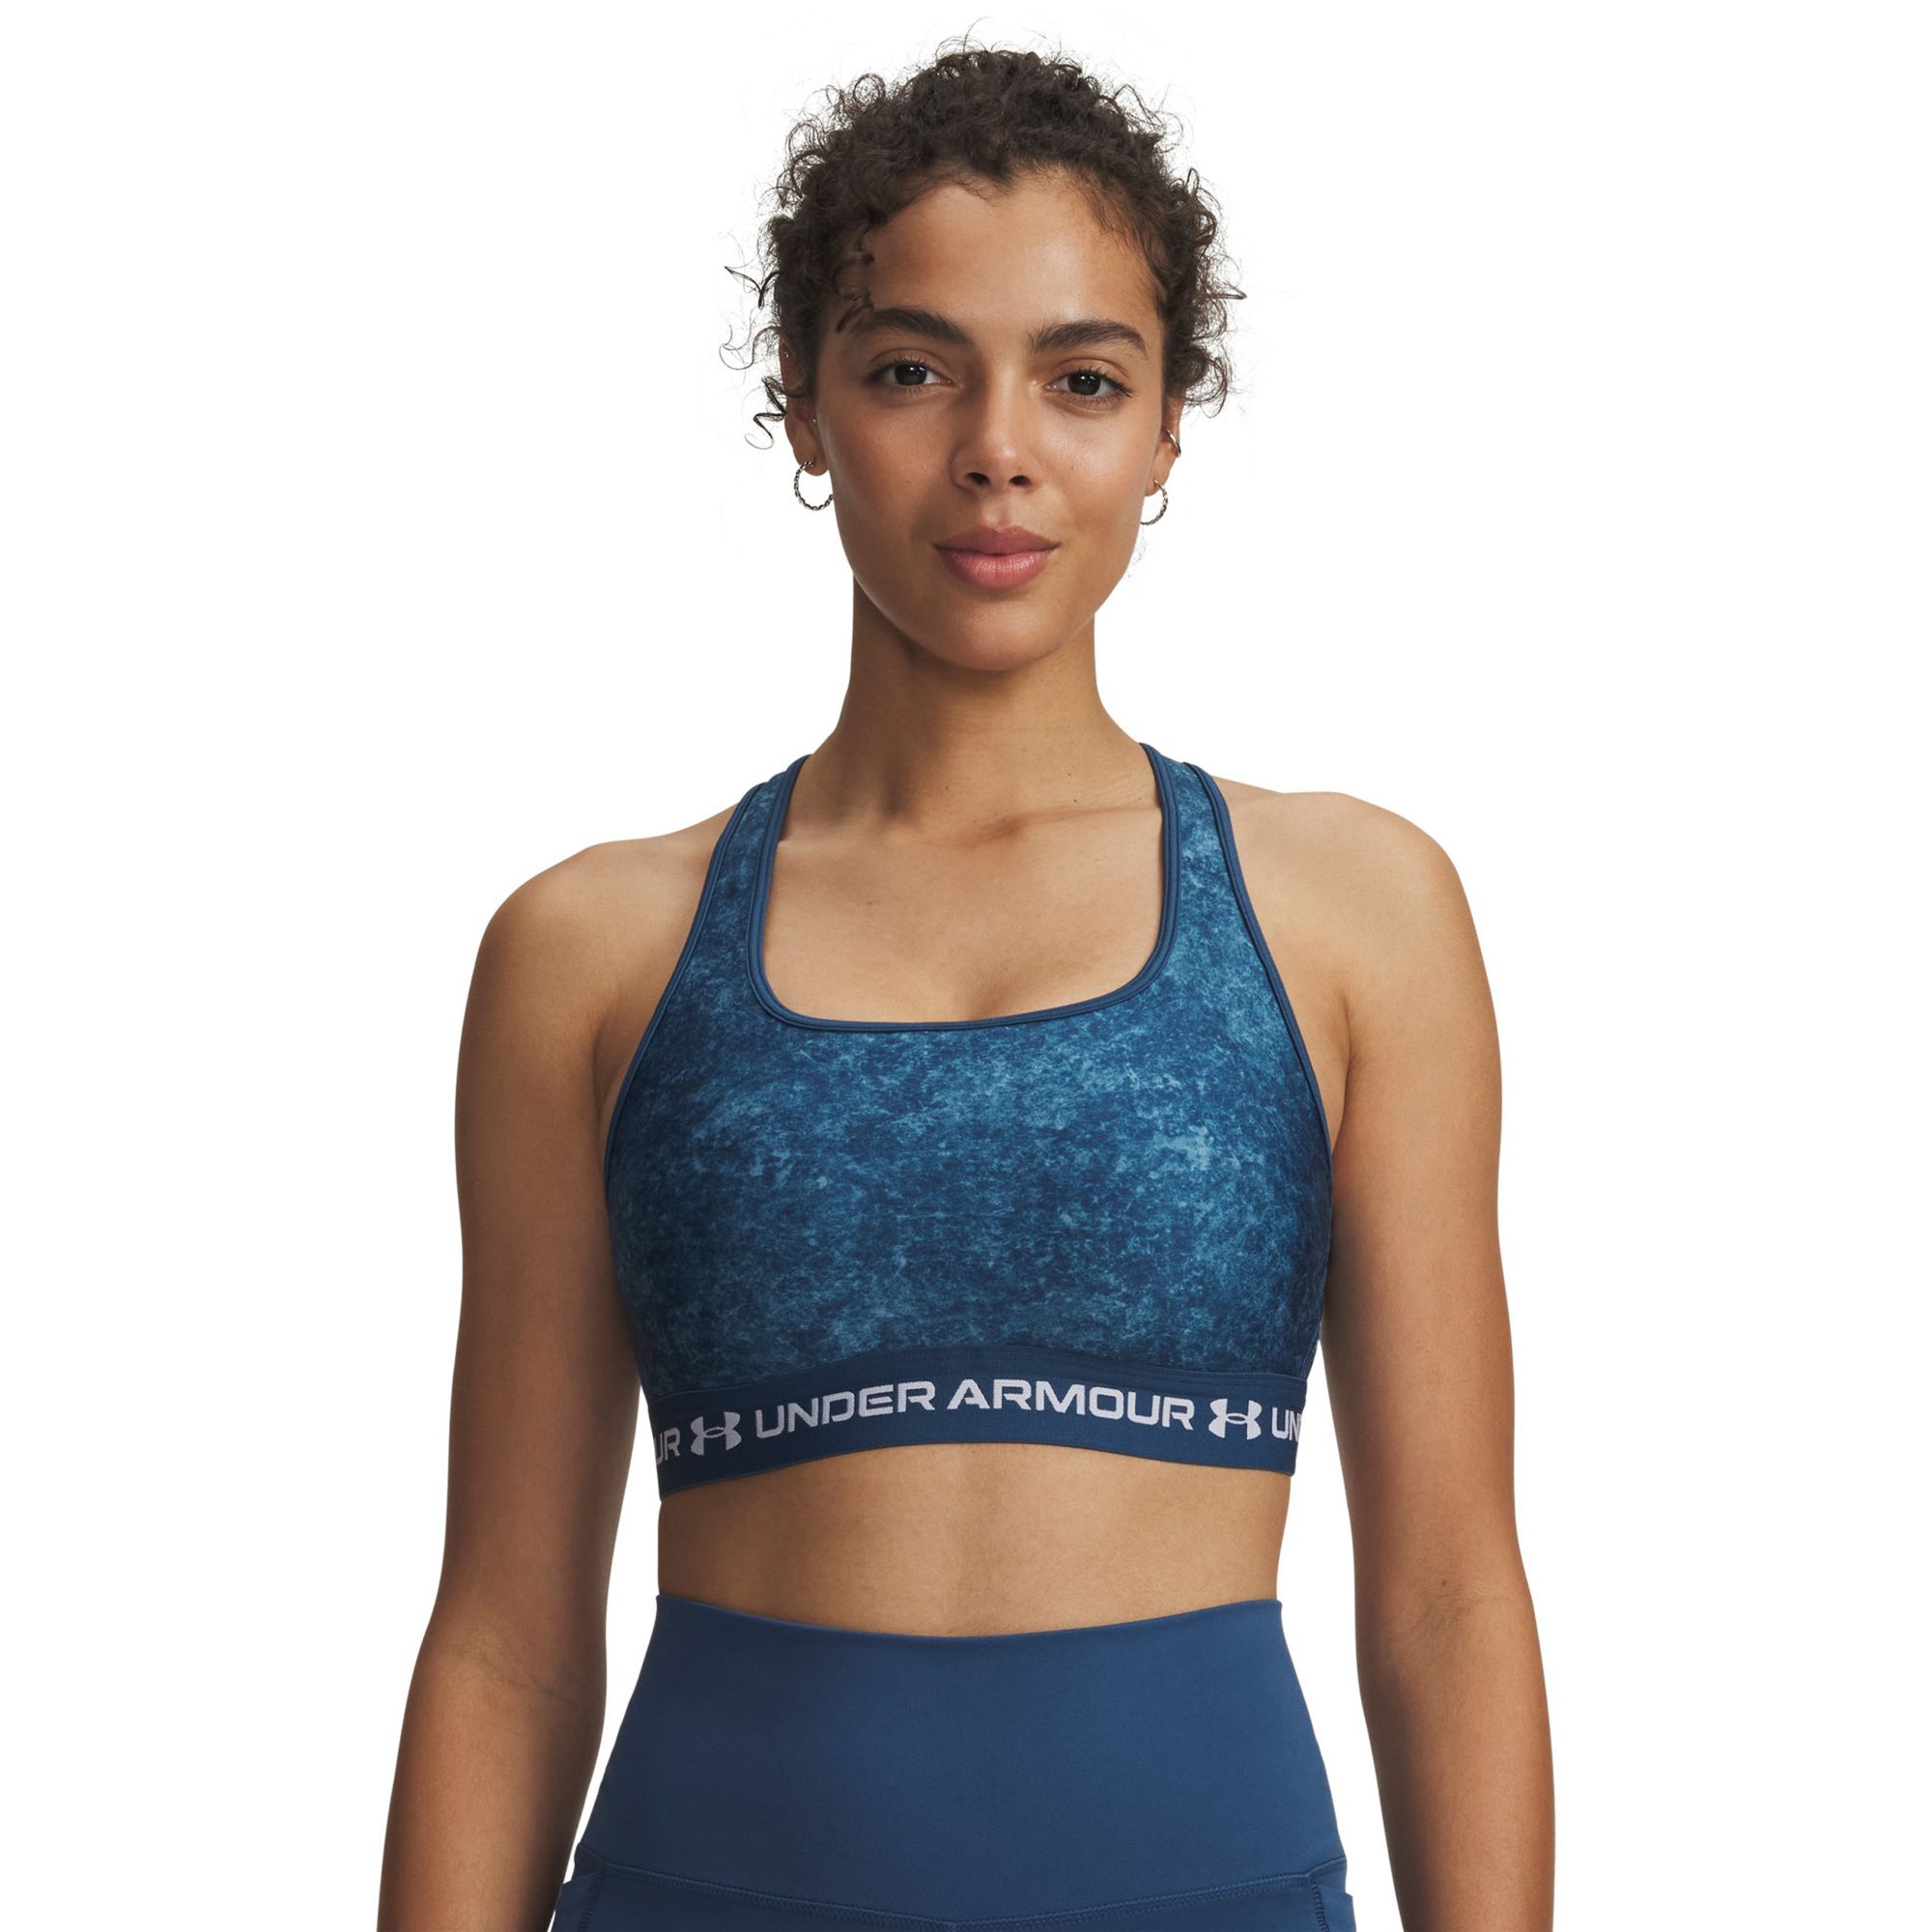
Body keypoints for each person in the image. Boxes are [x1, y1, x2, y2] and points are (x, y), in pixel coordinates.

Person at [379, 39, 1554, 1932]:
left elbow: (1446, 1598)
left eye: (1082, 379)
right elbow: (506, 1640)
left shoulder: (1353, 917)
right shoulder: (591, 952)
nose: (998, 447)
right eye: (913, 368)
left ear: (1166, 428)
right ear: (804, 402)